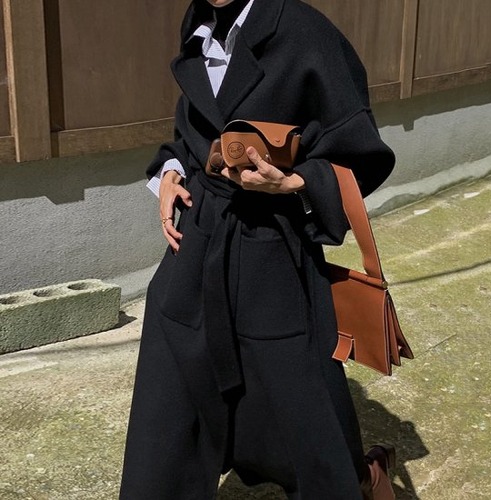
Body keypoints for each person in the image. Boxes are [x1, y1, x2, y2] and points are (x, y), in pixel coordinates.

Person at [120, 0, 397, 498]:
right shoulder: (200, 23)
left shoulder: (306, 32)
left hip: (274, 250)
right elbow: (195, 126)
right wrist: (171, 172)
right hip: (198, 240)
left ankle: (363, 481)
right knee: (168, 400)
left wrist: (294, 184)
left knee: (301, 407)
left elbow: (361, 155)